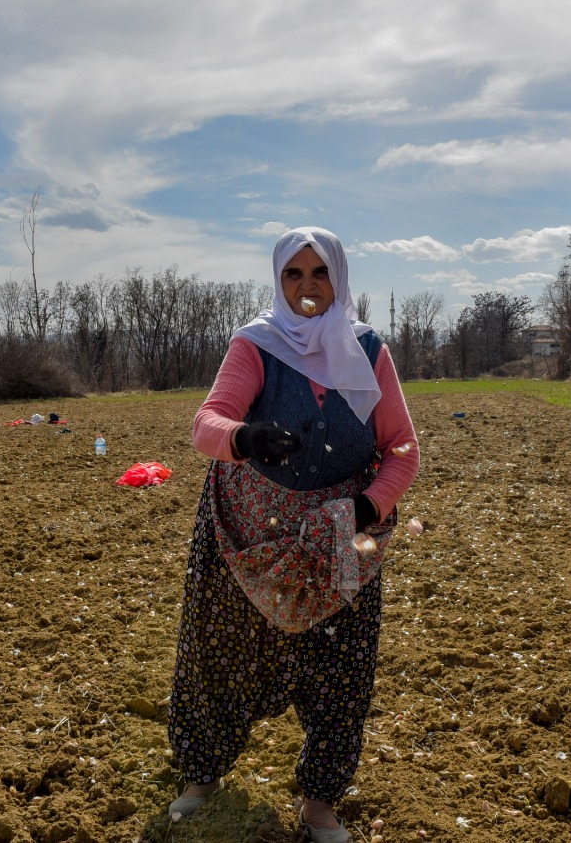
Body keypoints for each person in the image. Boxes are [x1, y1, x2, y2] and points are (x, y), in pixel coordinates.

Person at [167, 226, 421, 843]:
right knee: (220, 652)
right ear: (278, 281)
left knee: (341, 665)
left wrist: (367, 506)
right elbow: (207, 424)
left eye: (319, 273)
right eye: (293, 274)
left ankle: (320, 804)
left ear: (338, 278)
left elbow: (403, 450)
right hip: (250, 533)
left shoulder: (368, 351)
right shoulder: (256, 344)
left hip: (339, 539)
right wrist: (243, 439)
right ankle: (201, 776)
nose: (307, 287)